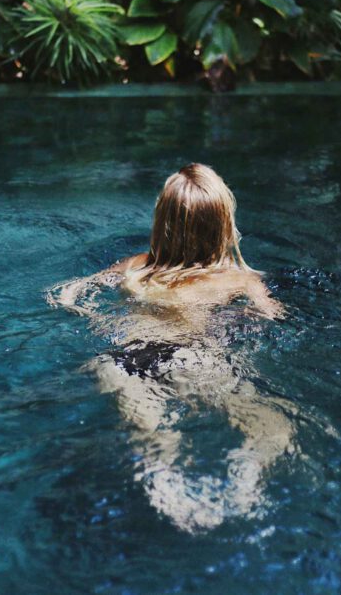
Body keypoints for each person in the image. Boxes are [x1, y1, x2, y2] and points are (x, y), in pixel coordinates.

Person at [47, 163, 294, 533]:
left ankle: (165, 482)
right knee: (273, 425)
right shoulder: (240, 278)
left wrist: (92, 315)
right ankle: (246, 476)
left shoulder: (134, 265)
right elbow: (274, 316)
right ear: (224, 225)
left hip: (126, 358)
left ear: (161, 221)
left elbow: (67, 293)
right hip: (193, 356)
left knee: (155, 438)